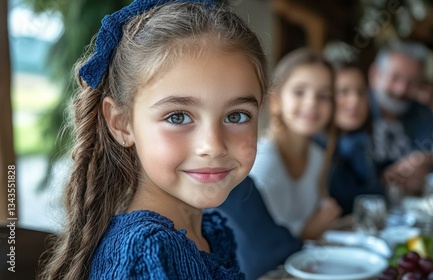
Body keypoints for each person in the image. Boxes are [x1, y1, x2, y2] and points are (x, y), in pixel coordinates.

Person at [38, 1, 268, 279]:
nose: (213, 145)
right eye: (178, 117)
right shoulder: (145, 255)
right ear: (121, 123)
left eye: (236, 116)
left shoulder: (207, 232)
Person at [249, 48, 341, 241]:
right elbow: (258, 244)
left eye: (323, 95)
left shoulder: (318, 157)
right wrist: (307, 231)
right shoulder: (261, 164)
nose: (311, 103)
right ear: (276, 101)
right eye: (299, 92)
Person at [316, 62, 384, 215]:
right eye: (343, 92)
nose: (355, 101)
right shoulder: (316, 147)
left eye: (361, 92)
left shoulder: (360, 142)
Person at [368, 42, 433, 195]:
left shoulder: (423, 114)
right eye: (395, 77)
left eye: (412, 82)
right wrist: (385, 180)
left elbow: (425, 161)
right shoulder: (356, 110)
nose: (401, 90)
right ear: (375, 75)